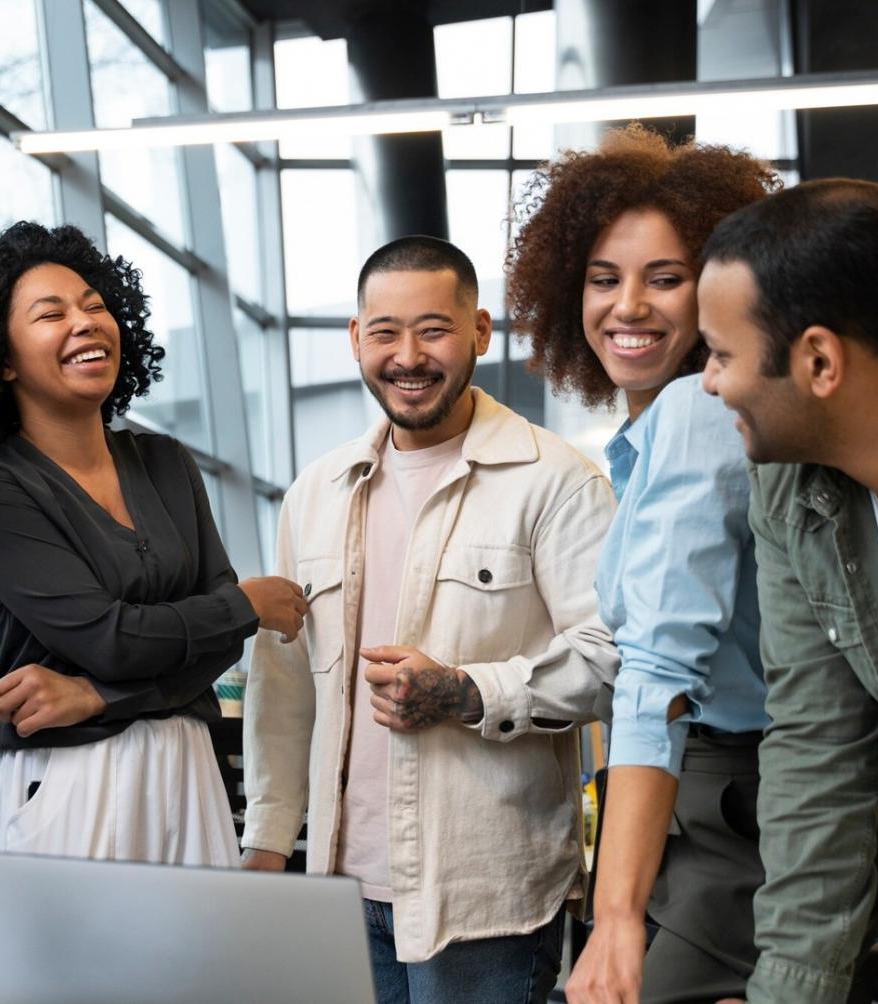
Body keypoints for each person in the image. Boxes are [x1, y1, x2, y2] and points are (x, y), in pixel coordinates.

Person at [241, 235, 619, 1004]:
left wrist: (465, 692)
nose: (407, 356)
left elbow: (612, 661)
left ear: (478, 331)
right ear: (356, 338)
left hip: (484, 898)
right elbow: (283, 686)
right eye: (385, 332)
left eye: (433, 330)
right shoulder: (315, 492)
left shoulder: (555, 481)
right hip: (338, 889)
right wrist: (268, 843)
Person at [0, 221, 305, 867]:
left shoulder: (165, 461)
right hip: (69, 779)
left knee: (202, 939)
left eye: (94, 305)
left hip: (187, 764)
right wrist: (246, 605)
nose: (86, 322)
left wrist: (97, 695)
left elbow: (218, 642)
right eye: (51, 314)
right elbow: (111, 640)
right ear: (0, 358)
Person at [697, 178, 878, 1002]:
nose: (708, 383)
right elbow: (815, 756)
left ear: (819, 362)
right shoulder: (792, 490)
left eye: (719, 354)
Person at [505, 124, 778, 1003]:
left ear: (721, 290)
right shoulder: (655, 433)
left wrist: (615, 916)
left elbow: (659, 669)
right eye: (602, 279)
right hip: (702, 792)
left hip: (726, 794)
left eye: (665, 278)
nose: (628, 307)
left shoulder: (697, 413)